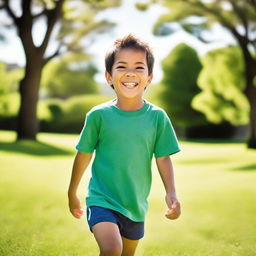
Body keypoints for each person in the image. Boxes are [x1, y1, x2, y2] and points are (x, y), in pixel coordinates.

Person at [68, 34, 181, 256]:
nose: (130, 73)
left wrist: (171, 193)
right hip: (102, 200)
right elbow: (83, 155)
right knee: (112, 249)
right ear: (109, 77)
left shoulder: (157, 117)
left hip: (136, 207)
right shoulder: (98, 116)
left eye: (139, 67)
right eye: (122, 66)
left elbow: (163, 157)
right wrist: (72, 192)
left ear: (149, 78)